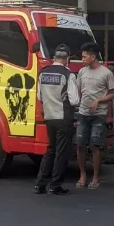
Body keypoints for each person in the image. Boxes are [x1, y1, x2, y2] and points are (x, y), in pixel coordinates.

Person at [34, 44, 80, 195]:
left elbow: (39, 96)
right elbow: (74, 100)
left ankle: (40, 184)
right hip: (63, 118)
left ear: (54, 58)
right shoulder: (69, 75)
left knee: (50, 149)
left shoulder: (43, 73)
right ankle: (55, 185)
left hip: (49, 117)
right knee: (61, 152)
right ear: (67, 59)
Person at [75, 42, 114, 190]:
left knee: (95, 145)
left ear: (93, 57)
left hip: (99, 115)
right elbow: (79, 91)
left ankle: (96, 177)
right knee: (80, 145)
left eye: (84, 57)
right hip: (83, 113)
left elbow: (113, 93)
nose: (82, 59)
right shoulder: (82, 72)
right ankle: (83, 175)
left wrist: (98, 100)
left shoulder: (106, 73)